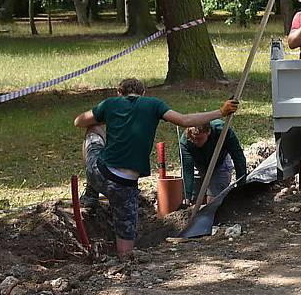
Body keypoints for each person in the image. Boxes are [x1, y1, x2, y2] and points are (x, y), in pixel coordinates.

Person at [74, 77, 238, 257]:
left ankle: (91, 193)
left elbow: (79, 121)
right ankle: (124, 266)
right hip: (125, 186)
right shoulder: (153, 104)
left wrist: (107, 116)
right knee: (126, 250)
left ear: (119, 93)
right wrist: (221, 111)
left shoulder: (110, 103)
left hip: (99, 173)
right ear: (143, 93)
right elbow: (185, 120)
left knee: (93, 128)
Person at [180, 119, 247, 204]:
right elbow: (187, 169)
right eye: (193, 139)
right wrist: (187, 196)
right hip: (197, 163)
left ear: (208, 132)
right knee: (194, 199)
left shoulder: (223, 131)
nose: (195, 142)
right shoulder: (186, 141)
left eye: (199, 138)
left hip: (219, 162)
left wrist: (241, 187)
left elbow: (238, 157)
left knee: (213, 203)